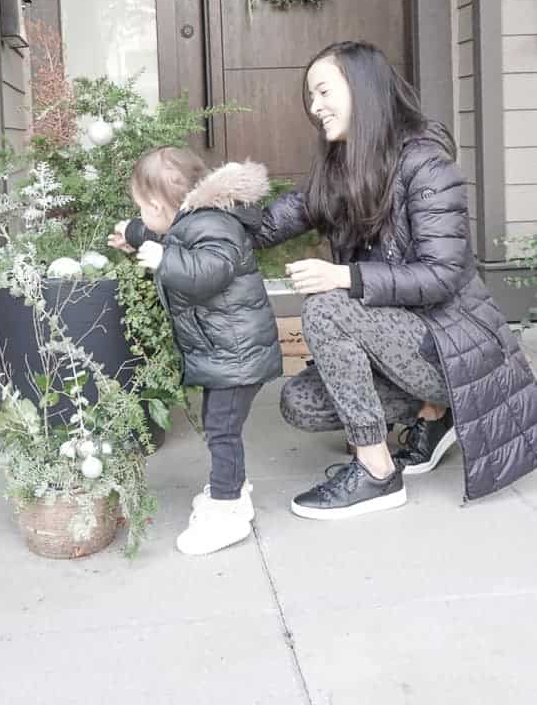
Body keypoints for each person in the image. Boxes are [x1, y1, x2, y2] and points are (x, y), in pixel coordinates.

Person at [254, 40, 537, 520]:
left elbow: (442, 274)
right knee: (299, 402)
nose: (314, 106)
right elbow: (266, 225)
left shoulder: (425, 162)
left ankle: (377, 472)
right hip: (399, 345)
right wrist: (176, 224)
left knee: (327, 304)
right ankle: (434, 411)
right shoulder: (340, 170)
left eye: (323, 91)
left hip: (454, 347)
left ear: (363, 89)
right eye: (311, 96)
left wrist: (345, 276)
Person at [109, 146, 282, 555]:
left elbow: (209, 271)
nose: (142, 213)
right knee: (220, 425)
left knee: (221, 429)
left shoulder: (212, 226)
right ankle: (231, 491)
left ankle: (227, 508)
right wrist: (135, 234)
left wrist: (162, 259)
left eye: (141, 208)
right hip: (228, 351)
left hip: (237, 356)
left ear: (157, 203)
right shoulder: (196, 220)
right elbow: (171, 236)